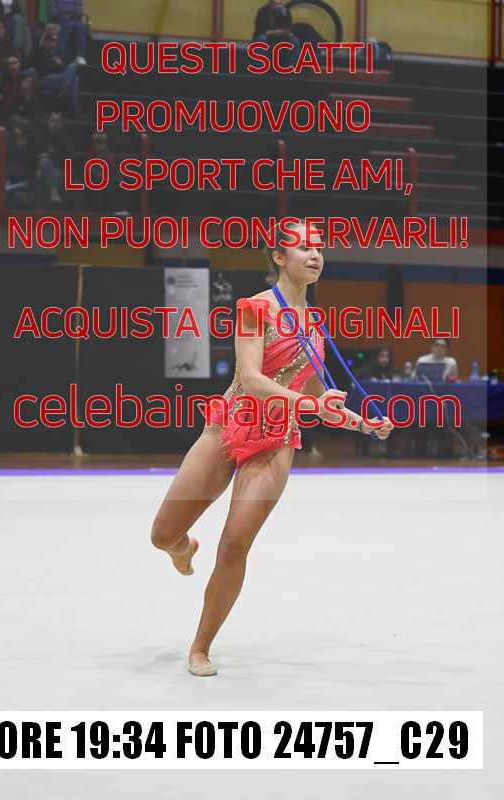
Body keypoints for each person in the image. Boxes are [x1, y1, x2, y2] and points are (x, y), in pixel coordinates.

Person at [149, 219, 394, 677]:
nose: (315, 255)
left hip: (276, 439)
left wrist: (361, 423)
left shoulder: (314, 326)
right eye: (303, 247)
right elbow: (253, 379)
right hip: (229, 426)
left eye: (319, 247)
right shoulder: (255, 309)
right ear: (280, 257)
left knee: (234, 545)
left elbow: (317, 394)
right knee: (162, 535)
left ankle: (200, 647)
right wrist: (308, 403)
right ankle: (182, 548)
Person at [34, 27, 79, 115]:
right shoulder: (40, 50)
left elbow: (63, 66)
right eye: (53, 40)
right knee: (74, 79)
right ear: (46, 40)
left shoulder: (56, 52)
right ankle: (73, 108)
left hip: (56, 77)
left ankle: (65, 90)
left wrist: (60, 64)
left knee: (73, 71)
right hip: (43, 78)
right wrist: (54, 63)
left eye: (56, 40)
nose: (55, 42)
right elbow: (41, 69)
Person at [253, 0, 300, 67]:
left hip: (281, 37)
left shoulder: (285, 12)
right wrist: (274, 32)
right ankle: (260, 67)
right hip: (267, 36)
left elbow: (289, 28)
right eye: (275, 4)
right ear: (270, 4)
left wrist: (284, 17)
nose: (278, 6)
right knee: (261, 39)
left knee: (295, 41)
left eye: (280, 4)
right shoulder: (263, 11)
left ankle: (289, 67)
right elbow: (260, 30)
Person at [0, 0, 32, 65]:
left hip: (16, 52)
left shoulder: (17, 18)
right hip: (1, 21)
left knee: (18, 20)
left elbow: (21, 12)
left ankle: (17, 61)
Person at [47, 0, 87, 66]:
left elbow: (79, 7)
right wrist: (58, 16)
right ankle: (61, 55)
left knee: (80, 26)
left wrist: (76, 14)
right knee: (67, 25)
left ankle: (79, 55)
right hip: (59, 18)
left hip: (73, 18)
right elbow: (51, 8)